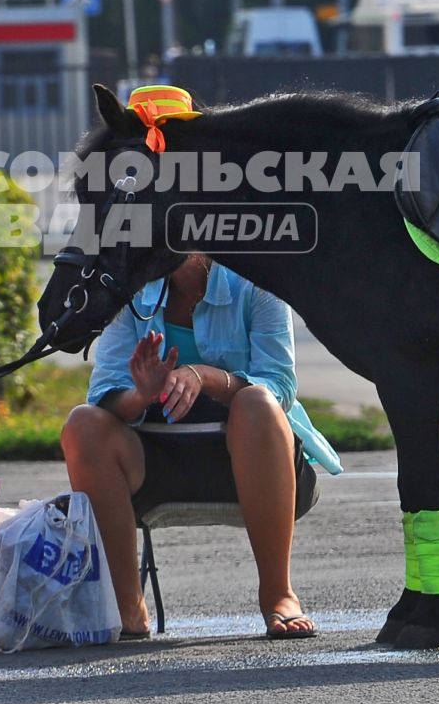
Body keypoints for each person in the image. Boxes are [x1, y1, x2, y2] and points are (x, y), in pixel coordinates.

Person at [59, 251, 345, 640]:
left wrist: (206, 378)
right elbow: (104, 392)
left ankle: (279, 595)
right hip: (155, 467)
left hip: (254, 462)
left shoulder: (257, 279)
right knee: (83, 423)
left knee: (258, 401)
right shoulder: (129, 290)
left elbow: (280, 386)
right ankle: (128, 609)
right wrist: (143, 394)